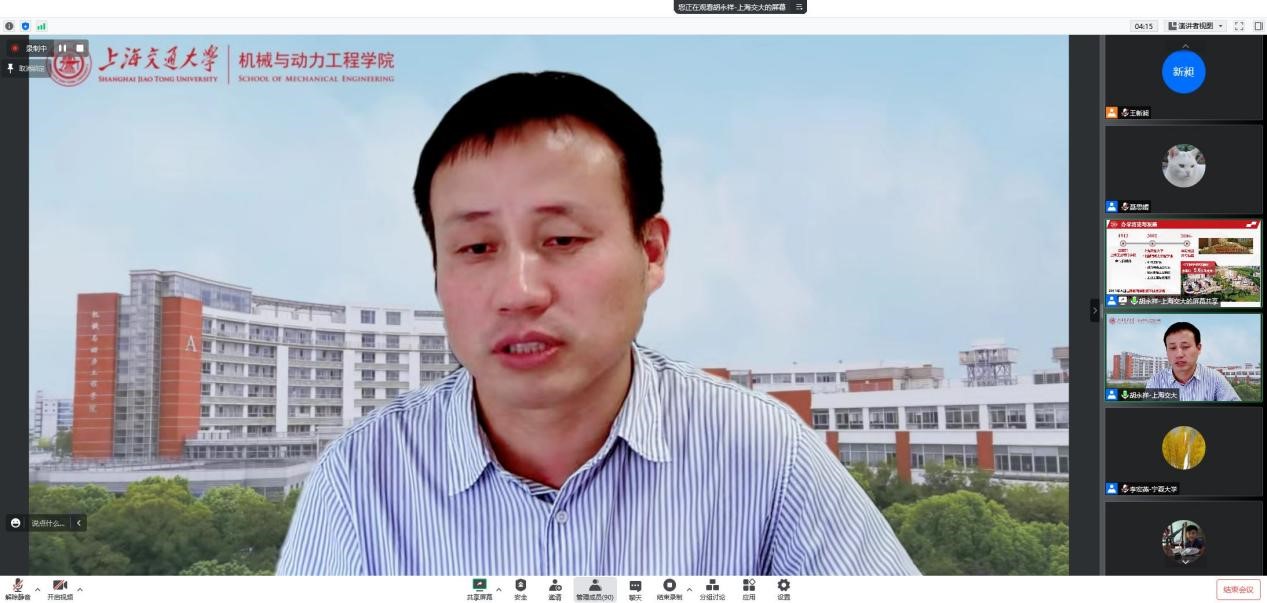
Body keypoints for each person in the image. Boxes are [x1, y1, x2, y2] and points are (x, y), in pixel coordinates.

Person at [277, 71, 918, 576]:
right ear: (438, 272)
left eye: (562, 239)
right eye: (475, 248)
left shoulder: (766, 457)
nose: (519, 292)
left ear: (651, 252)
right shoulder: (362, 479)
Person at [1144, 322, 1241, 401]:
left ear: (1198, 348)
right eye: (1172, 348)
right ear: (1166, 351)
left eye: (1185, 347)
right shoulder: (1156, 381)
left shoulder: (1216, 379)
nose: (1179, 354)